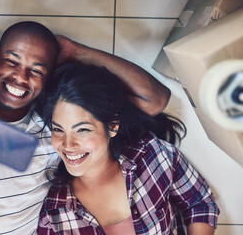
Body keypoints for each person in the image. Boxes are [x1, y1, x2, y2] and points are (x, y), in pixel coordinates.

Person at [0, 21, 171, 234]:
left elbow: (155, 100)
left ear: (48, 76)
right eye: (12, 61)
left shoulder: (54, 132)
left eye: (36, 70)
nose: (20, 77)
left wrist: (75, 51)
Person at [36, 63, 220, 235]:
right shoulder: (53, 214)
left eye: (83, 130)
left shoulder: (152, 156)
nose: (68, 145)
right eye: (58, 129)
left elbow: (200, 203)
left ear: (113, 126)